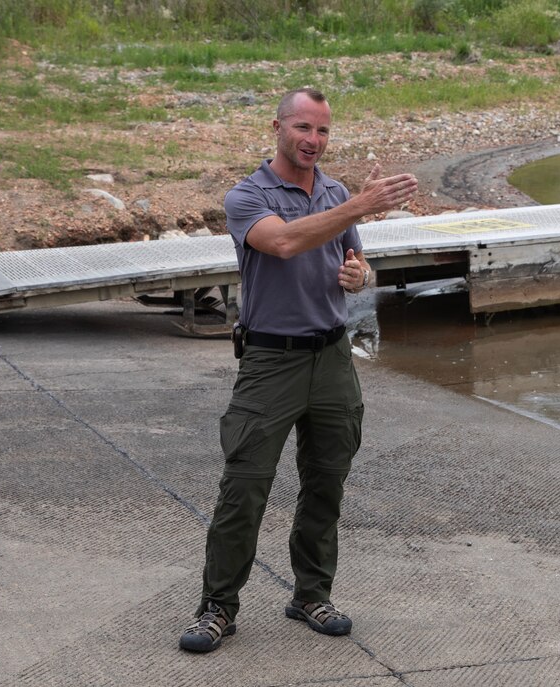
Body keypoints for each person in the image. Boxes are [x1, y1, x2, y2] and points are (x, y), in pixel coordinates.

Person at [179, 87, 418, 653]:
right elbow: (284, 243)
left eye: (323, 131)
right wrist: (362, 204)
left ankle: (311, 593)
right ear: (279, 127)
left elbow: (355, 261)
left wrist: (361, 276)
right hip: (270, 361)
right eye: (304, 128)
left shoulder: (334, 192)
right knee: (244, 487)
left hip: (332, 358)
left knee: (326, 484)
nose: (313, 141)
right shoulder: (247, 196)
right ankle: (217, 608)